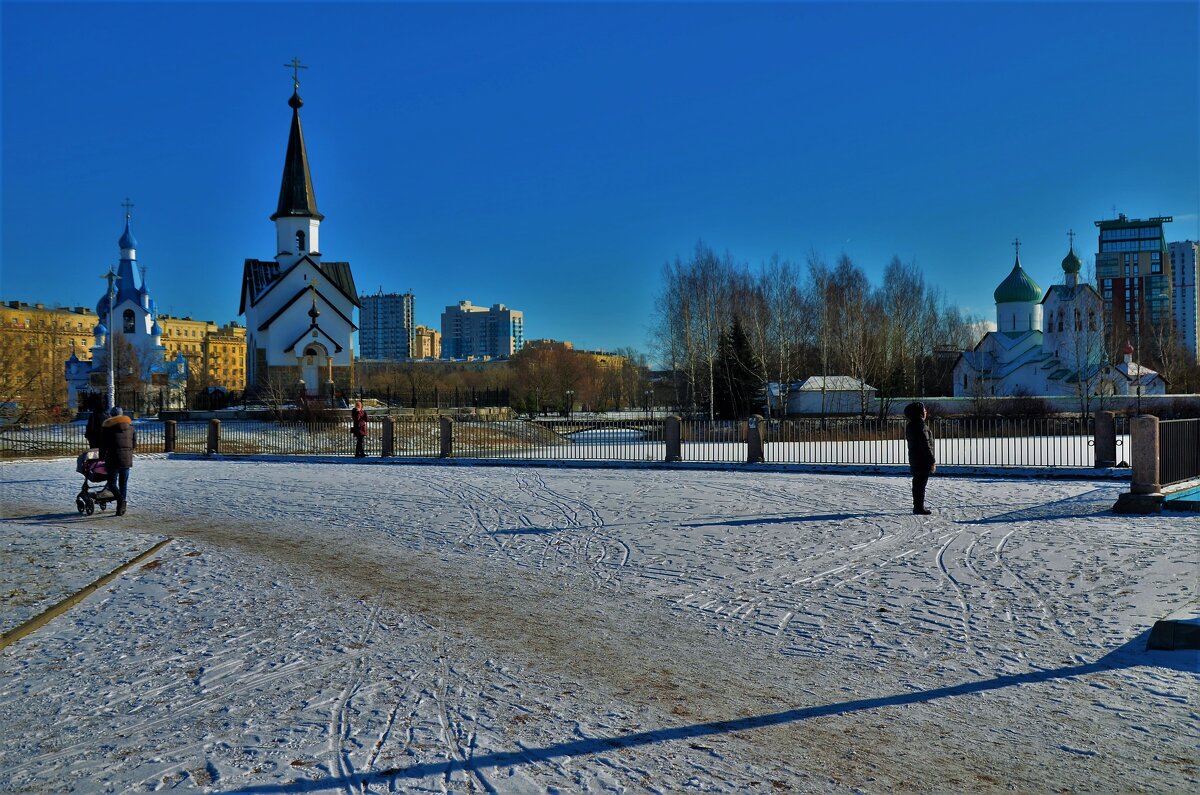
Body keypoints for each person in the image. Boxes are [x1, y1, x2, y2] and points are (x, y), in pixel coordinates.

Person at [99, 405, 136, 516]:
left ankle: (121, 501)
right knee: (123, 483)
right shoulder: (131, 426)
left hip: (113, 458)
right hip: (127, 459)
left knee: (111, 483)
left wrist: (101, 456)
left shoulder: (108, 427)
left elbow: (103, 444)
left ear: (111, 415)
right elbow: (134, 444)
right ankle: (121, 508)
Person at [904, 401, 935, 515]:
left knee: (917, 484)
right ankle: (919, 507)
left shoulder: (911, 425)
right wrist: (932, 461)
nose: (926, 412)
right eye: (924, 410)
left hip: (915, 458)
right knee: (920, 484)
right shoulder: (921, 426)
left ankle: (917, 506)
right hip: (922, 460)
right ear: (920, 413)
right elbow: (925, 445)